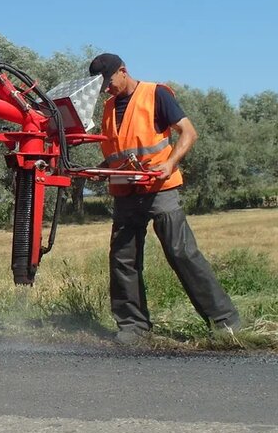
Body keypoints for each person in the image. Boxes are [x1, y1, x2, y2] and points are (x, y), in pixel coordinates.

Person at [88, 54, 240, 345]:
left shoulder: (155, 93)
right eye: (102, 86)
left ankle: (224, 322)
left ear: (123, 71)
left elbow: (189, 133)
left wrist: (170, 164)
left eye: (109, 82)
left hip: (160, 188)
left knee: (182, 252)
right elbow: (116, 151)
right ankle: (133, 327)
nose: (107, 89)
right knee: (123, 259)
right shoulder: (108, 108)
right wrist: (104, 171)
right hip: (125, 192)